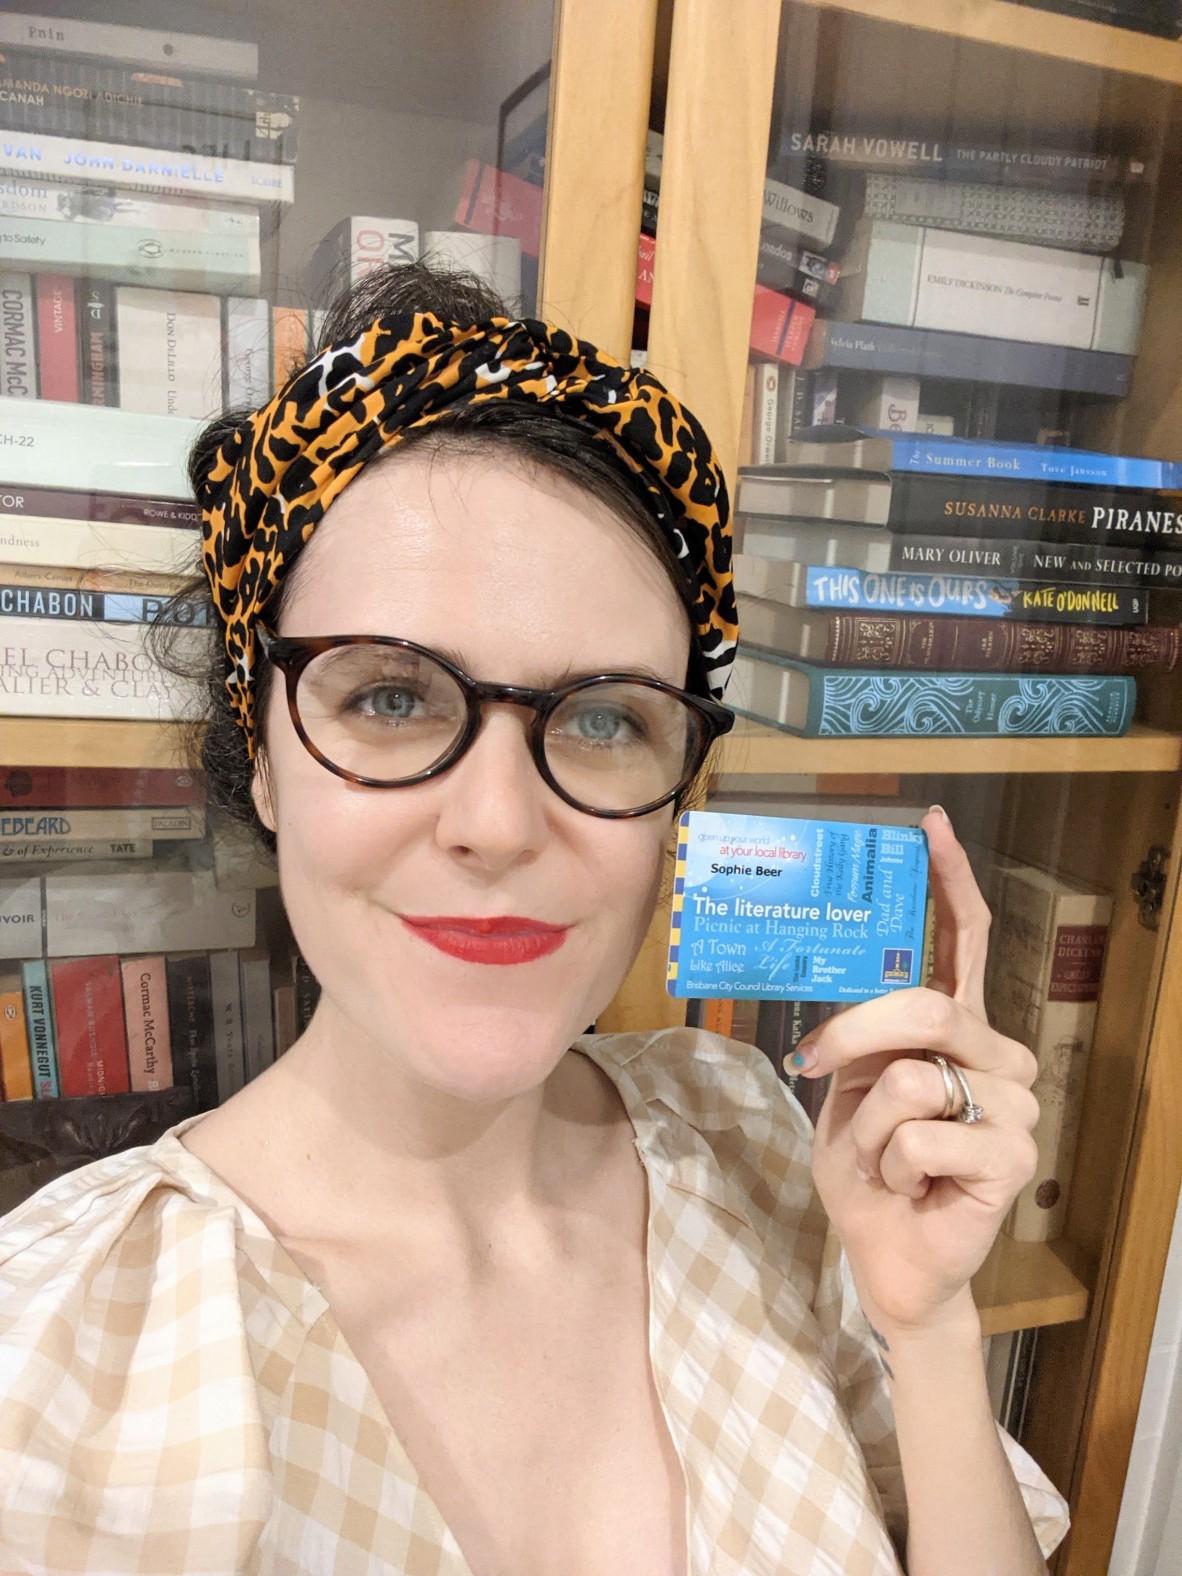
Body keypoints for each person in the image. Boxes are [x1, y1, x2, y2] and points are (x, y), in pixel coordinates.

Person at [0, 262, 1068, 1576]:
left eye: (607, 717)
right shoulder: (53, 1360)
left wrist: (930, 1325)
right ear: (262, 754)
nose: (497, 824)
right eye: (389, 698)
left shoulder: (741, 1133)